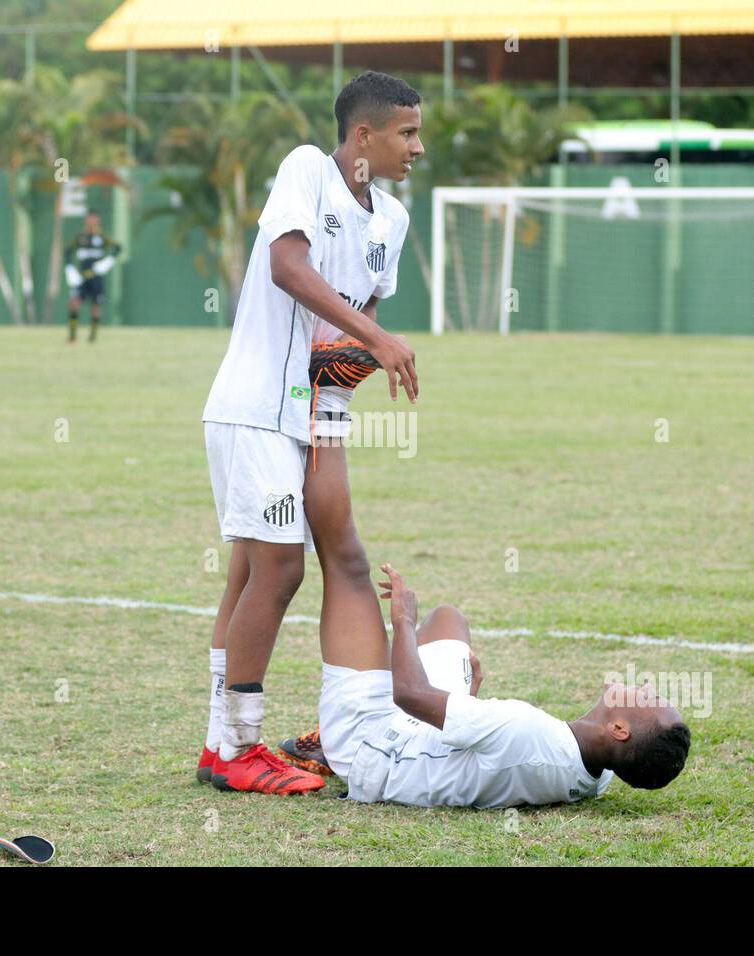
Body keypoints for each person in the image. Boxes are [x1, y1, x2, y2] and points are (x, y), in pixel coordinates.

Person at [198, 71, 422, 795]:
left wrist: (333, 424)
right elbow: (288, 267)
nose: (418, 147)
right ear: (365, 136)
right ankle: (239, 746)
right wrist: (377, 338)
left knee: (248, 572)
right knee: (281, 569)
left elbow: (341, 341)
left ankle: (218, 746)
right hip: (255, 405)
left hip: (307, 418)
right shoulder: (306, 169)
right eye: (408, 133)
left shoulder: (391, 220)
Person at [312, 564, 691, 808]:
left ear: (620, 729)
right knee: (448, 619)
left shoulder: (527, 729)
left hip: (373, 748)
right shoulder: (600, 775)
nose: (643, 688)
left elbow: (409, 694)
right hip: (422, 737)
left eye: (649, 698)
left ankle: (327, 740)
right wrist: (466, 702)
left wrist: (404, 621)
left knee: (348, 567)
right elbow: (488, 768)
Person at [63, 212, 120, 344]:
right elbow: (68, 251)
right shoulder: (80, 237)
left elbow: (118, 248)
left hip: (96, 278)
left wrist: (108, 262)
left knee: (96, 306)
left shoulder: (102, 237)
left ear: (98, 220)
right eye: (89, 219)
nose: (91, 221)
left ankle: (92, 337)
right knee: (74, 303)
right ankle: (72, 336)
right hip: (82, 278)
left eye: (94, 219)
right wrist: (70, 269)